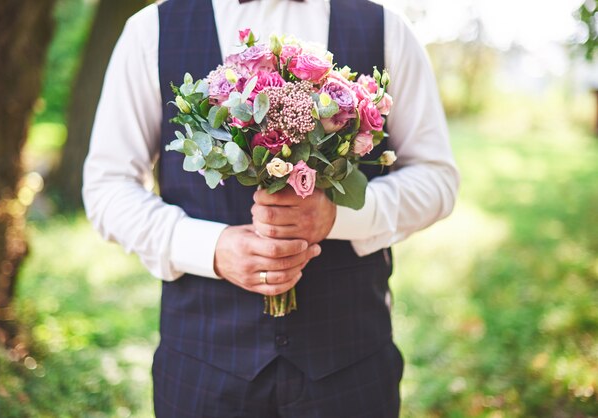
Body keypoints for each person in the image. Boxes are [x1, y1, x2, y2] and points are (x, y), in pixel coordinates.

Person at [83, 0, 459, 416]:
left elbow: (436, 178)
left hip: (351, 367)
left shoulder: (384, 26)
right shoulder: (150, 30)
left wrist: (340, 215)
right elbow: (107, 186)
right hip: (201, 371)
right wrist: (209, 248)